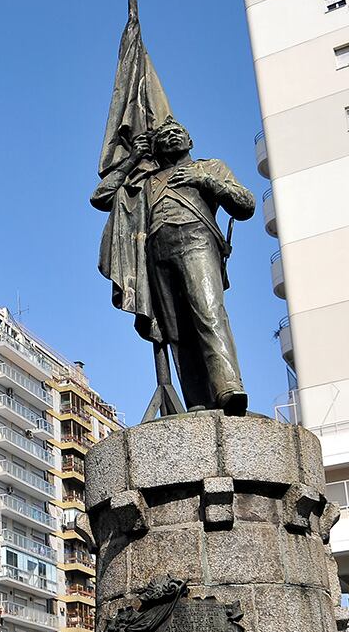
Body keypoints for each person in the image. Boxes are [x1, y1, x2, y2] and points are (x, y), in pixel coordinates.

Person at [92, 116, 254, 415]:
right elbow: (101, 196)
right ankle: (198, 400)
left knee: (208, 312)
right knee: (176, 330)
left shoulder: (209, 167)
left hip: (197, 240)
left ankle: (228, 387)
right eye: (164, 134)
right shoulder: (144, 181)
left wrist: (206, 182)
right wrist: (133, 160)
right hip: (156, 252)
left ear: (190, 141)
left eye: (178, 132)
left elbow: (246, 205)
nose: (171, 136)